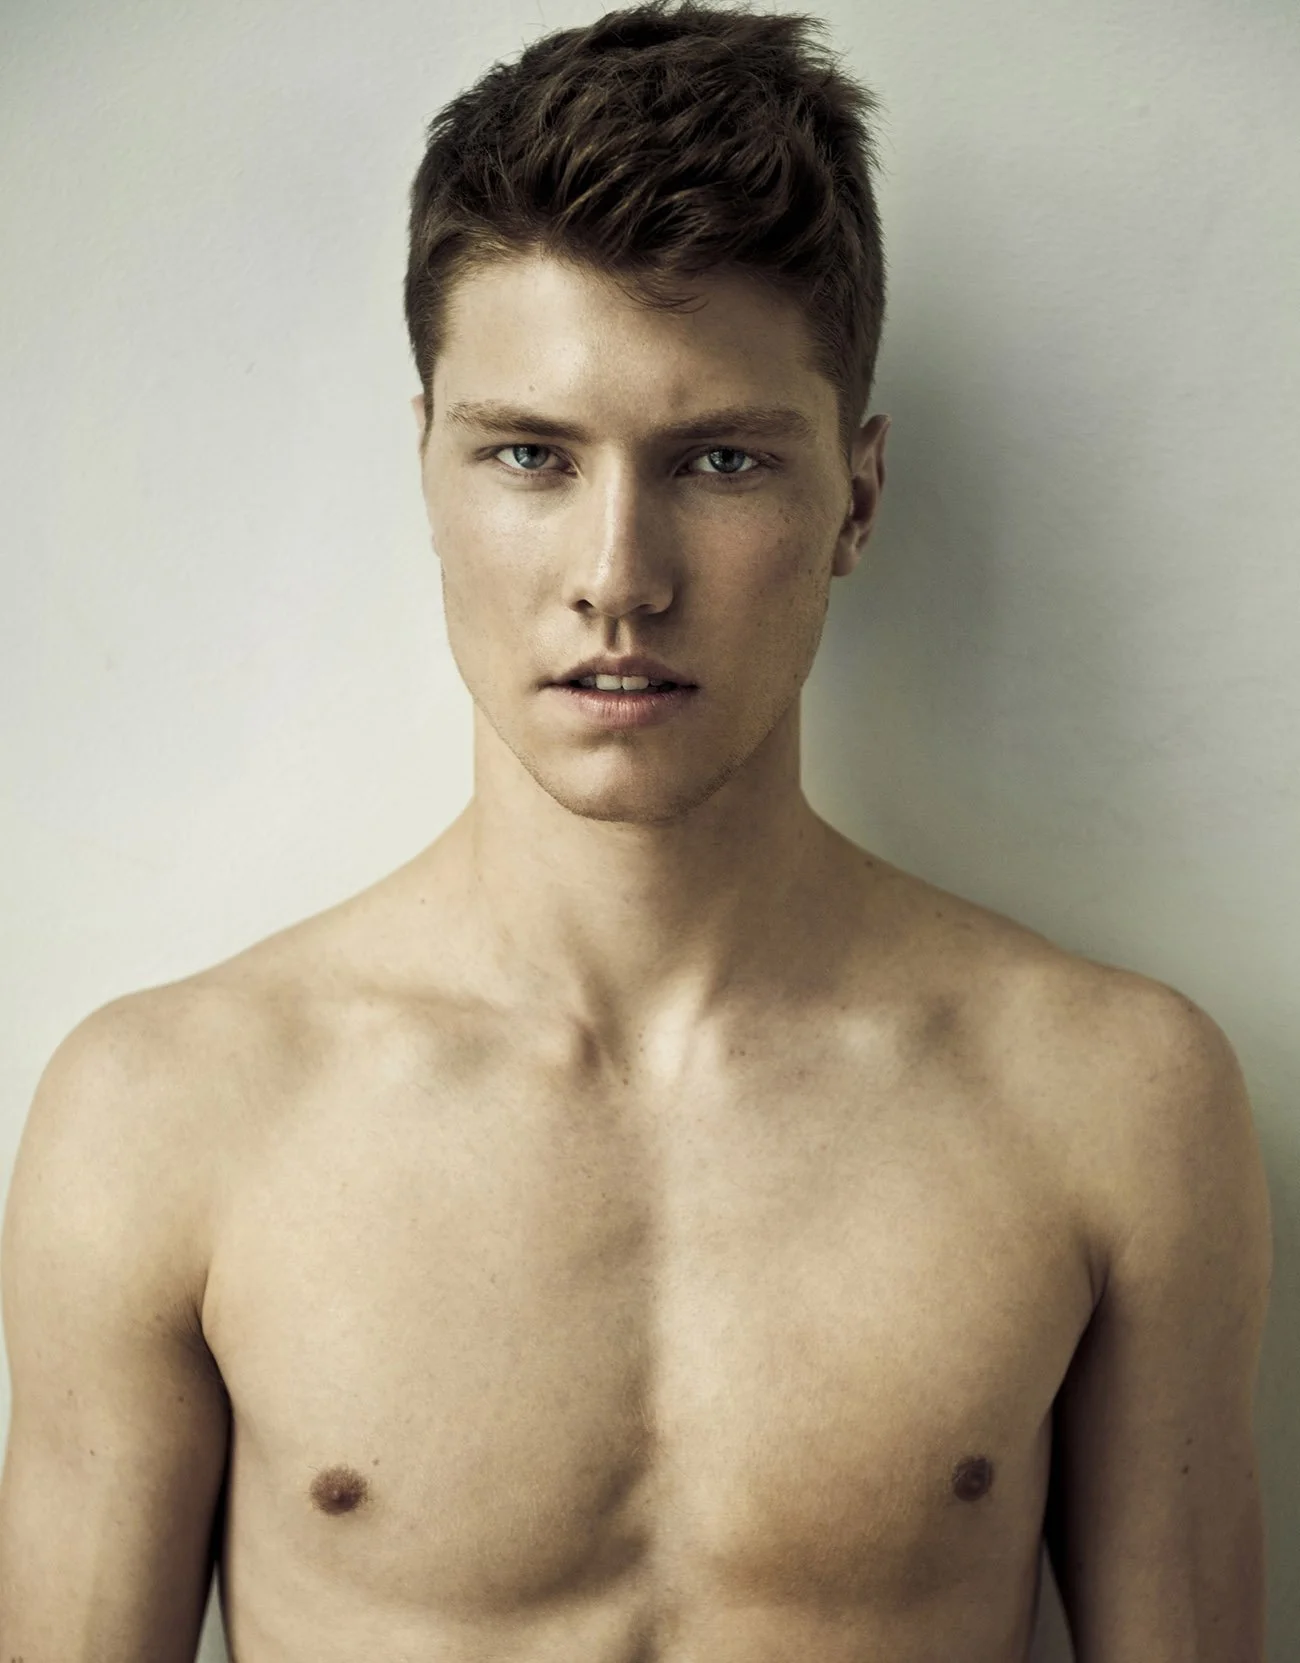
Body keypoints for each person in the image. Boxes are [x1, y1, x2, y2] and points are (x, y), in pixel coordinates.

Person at [0, 2, 1274, 1659]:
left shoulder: (1113, 1102)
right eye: (531, 453)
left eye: (722, 459)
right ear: (432, 477)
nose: (620, 572)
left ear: (856, 503)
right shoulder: (166, 1115)